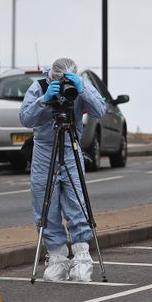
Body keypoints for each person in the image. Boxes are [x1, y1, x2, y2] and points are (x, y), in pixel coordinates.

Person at [20, 57, 106, 282]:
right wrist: (44, 100)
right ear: (52, 77)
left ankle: (82, 256)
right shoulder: (39, 87)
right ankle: (57, 256)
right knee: (45, 204)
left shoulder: (80, 87)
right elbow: (25, 118)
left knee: (77, 202)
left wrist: (82, 89)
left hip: (70, 146)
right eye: (60, 80)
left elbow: (100, 111)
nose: (63, 84)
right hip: (44, 150)